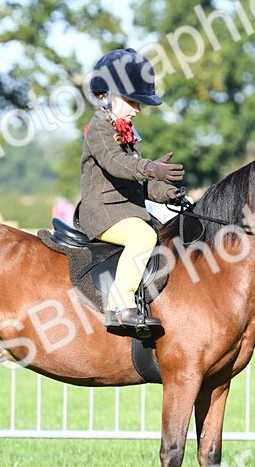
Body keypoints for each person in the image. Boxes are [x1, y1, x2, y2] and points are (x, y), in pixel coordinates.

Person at [77, 48, 187, 333]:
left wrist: (168, 192)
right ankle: (120, 306)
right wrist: (150, 167)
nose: (137, 109)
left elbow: (140, 181)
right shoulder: (99, 130)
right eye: (131, 101)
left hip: (128, 211)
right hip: (102, 212)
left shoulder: (128, 134)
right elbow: (117, 164)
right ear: (105, 96)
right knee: (144, 237)